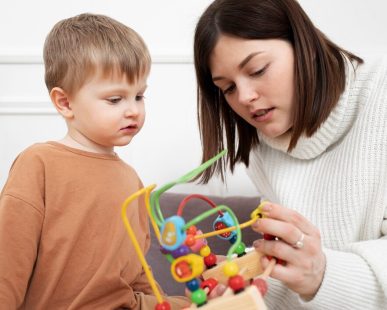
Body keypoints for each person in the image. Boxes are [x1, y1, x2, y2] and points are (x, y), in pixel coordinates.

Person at [193, 0, 387, 309]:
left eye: (257, 70)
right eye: (227, 88)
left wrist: (322, 274)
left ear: (304, 44)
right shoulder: (261, 143)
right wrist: (255, 281)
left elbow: (317, 274)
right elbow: (300, 278)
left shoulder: (381, 97)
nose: (244, 97)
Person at [0, 13, 189, 309]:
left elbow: (137, 276)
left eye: (139, 96)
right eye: (115, 100)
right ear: (65, 102)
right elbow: (8, 261)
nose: (133, 110)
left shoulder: (132, 181)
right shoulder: (39, 164)